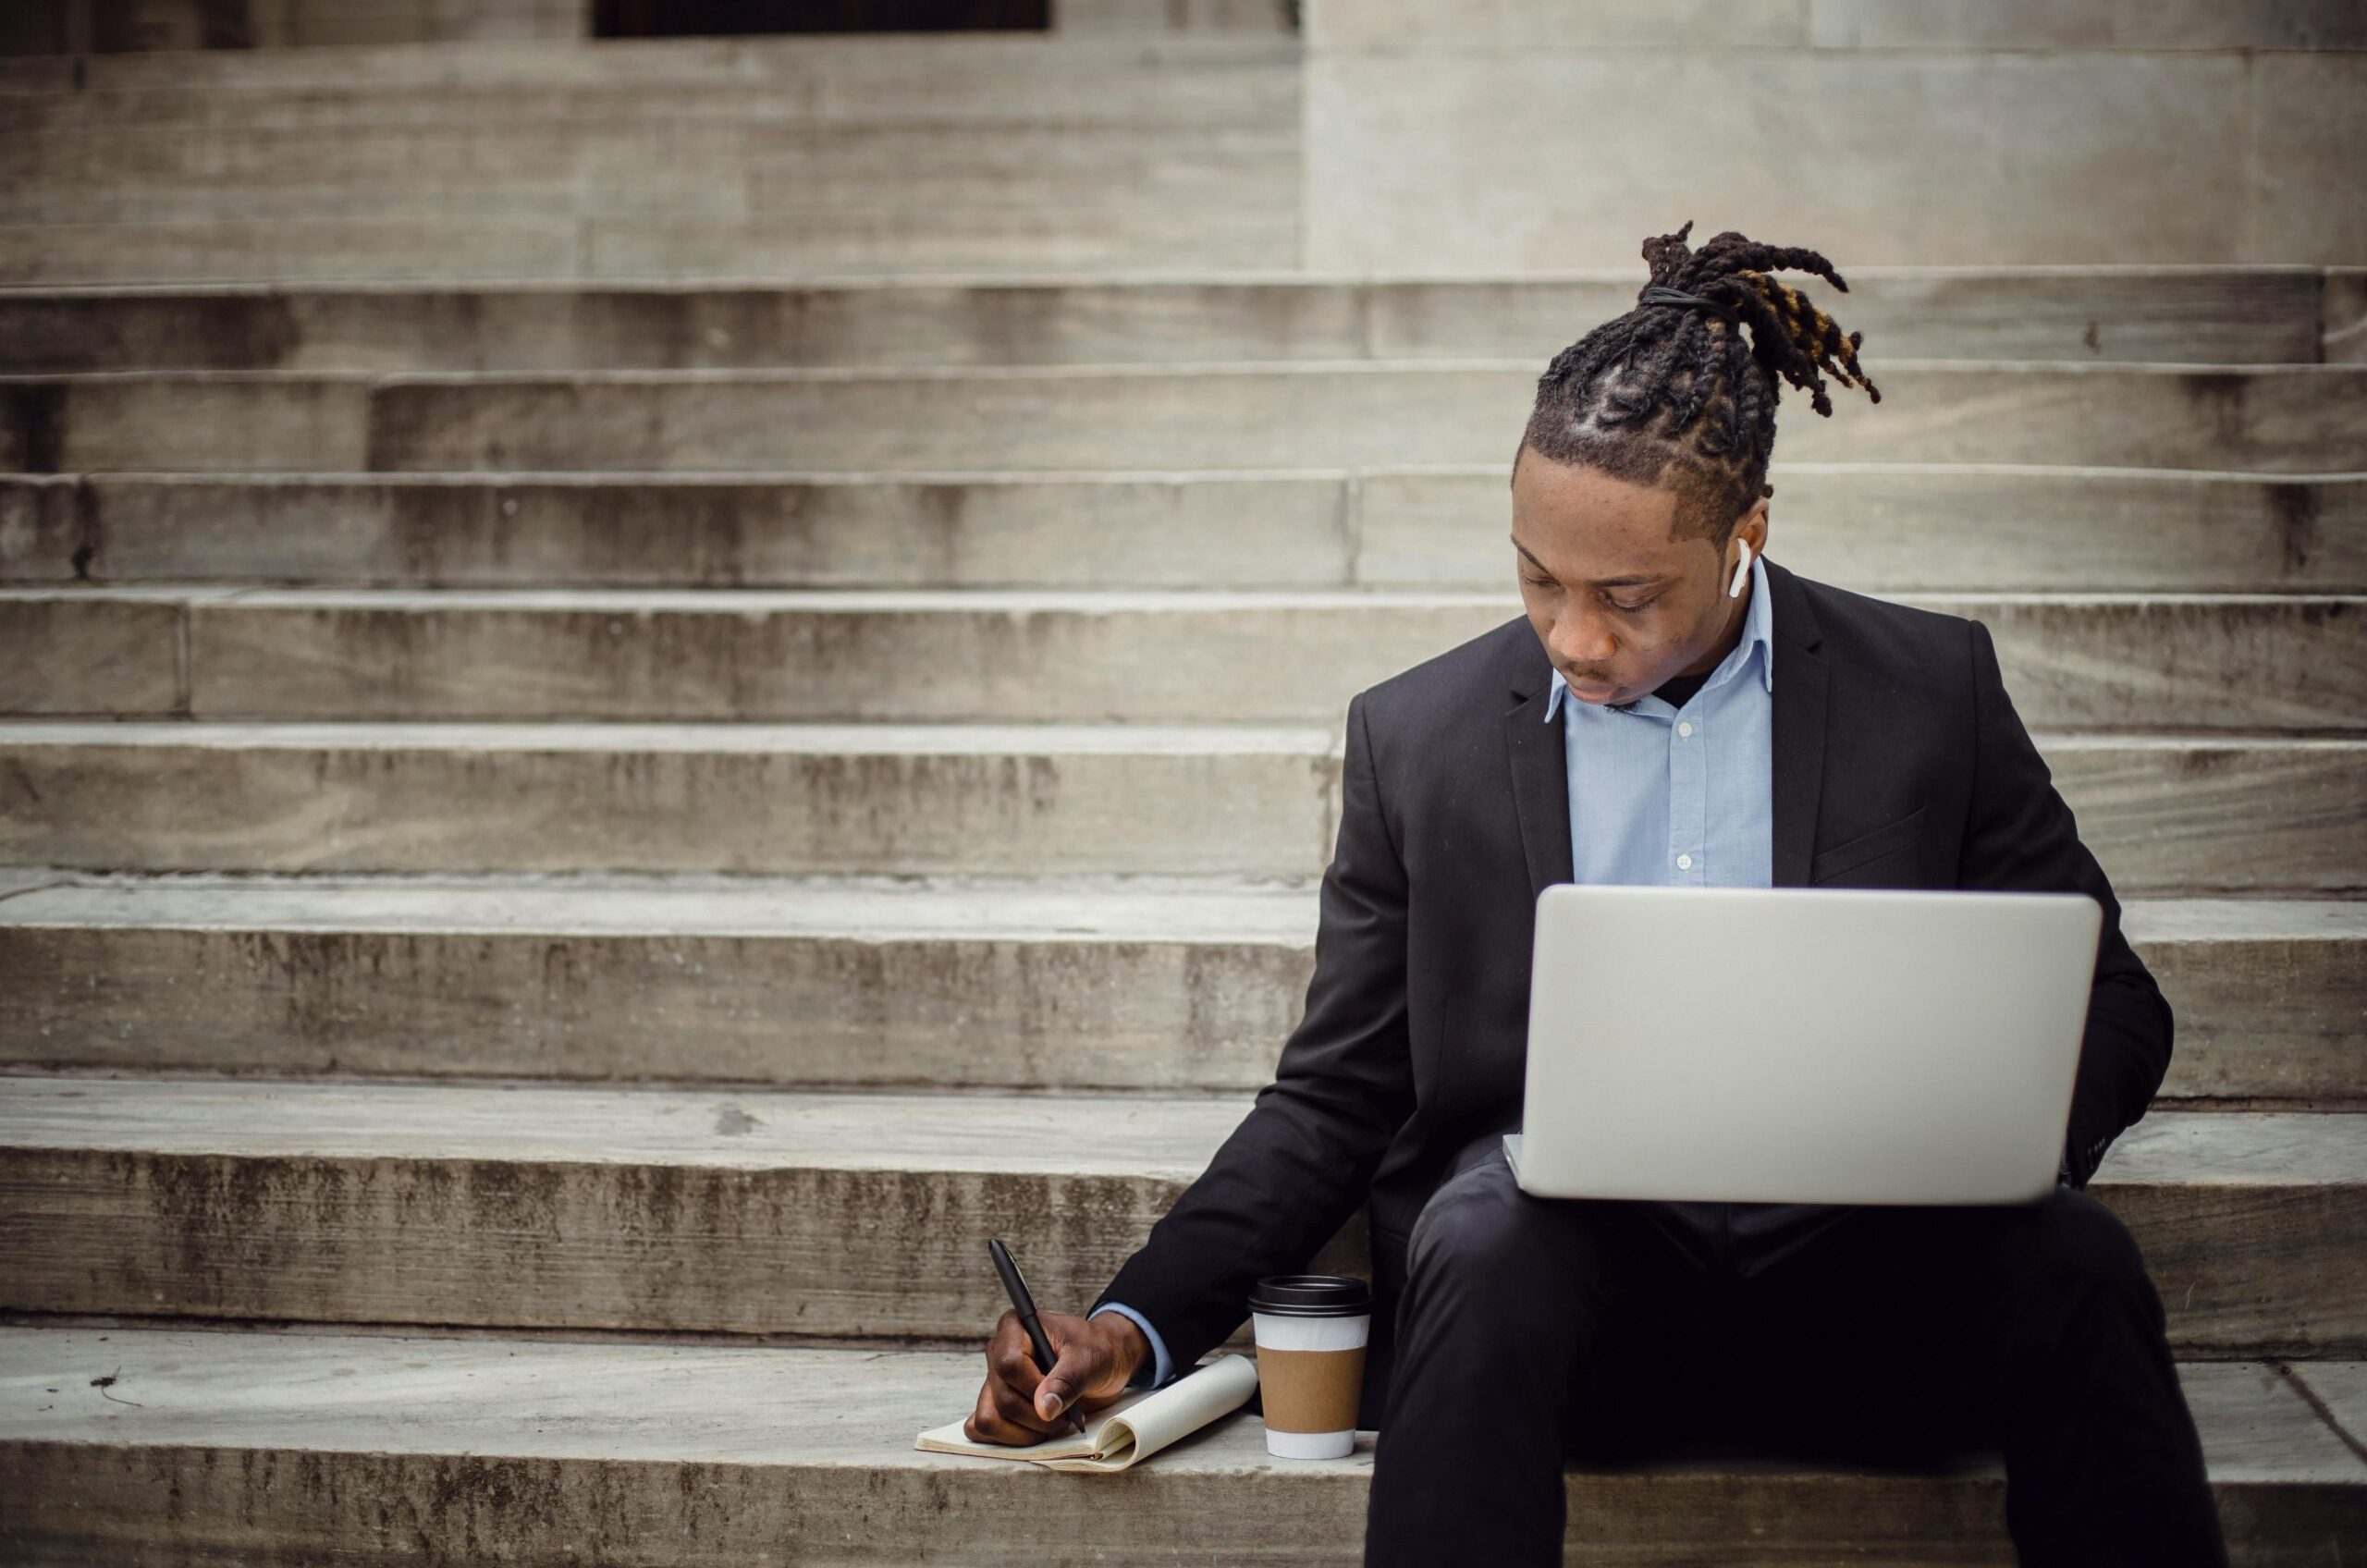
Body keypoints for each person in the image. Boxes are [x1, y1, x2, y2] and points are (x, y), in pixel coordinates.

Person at [962, 221, 2229, 1565]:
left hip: (1881, 1304)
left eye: (1627, 595)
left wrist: (1978, 1148)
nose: (1574, 636)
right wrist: (1136, 1321)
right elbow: (1335, 1094)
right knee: (1480, 1220)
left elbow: (2118, 1009)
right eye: (1536, 577)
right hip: (1566, 1329)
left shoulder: (1929, 694)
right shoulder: (1422, 738)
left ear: (1745, 533)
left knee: (2076, 1261)